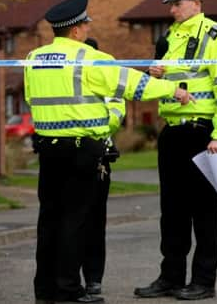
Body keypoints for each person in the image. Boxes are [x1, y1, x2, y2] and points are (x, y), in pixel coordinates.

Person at [26, 0, 194, 304]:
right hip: (82, 150)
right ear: (76, 30)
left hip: (48, 150)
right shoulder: (90, 59)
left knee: (49, 219)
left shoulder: (34, 57)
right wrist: (173, 89)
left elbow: (30, 99)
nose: (89, 28)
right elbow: (133, 85)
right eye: (86, 23)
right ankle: (68, 290)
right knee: (76, 220)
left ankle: (45, 289)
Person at [134, 0, 217, 300]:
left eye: (177, 4)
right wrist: (157, 77)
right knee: (173, 210)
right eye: (171, 4)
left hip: (202, 133)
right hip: (173, 133)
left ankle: (204, 282)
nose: (173, 9)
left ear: (196, 4)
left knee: (204, 212)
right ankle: (171, 277)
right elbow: (169, 83)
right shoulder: (167, 39)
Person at [80, 38, 120, 297]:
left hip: (97, 157)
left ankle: (93, 279)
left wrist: (103, 134)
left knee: (94, 221)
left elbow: (116, 110)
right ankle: (71, 279)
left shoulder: (106, 74)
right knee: (75, 221)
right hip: (72, 153)